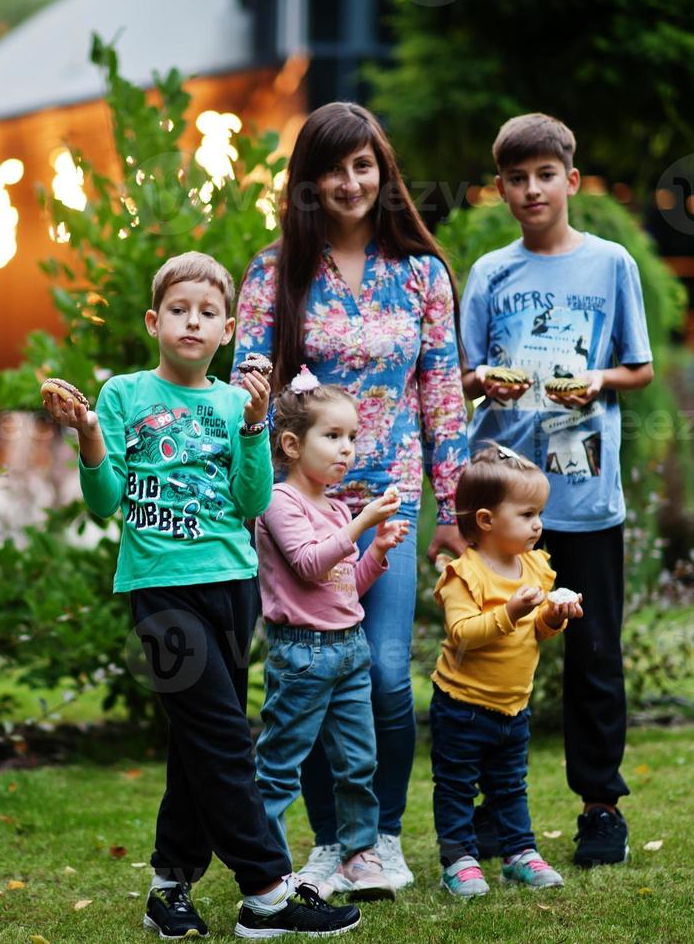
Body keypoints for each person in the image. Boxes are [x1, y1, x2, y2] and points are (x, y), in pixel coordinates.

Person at [42, 251, 360, 938]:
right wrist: (91, 435)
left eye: (207, 313)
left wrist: (251, 426)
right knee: (221, 738)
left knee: (197, 740)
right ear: (155, 321)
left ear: (227, 330)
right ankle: (267, 892)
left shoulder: (231, 403)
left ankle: (169, 886)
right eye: (179, 310)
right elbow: (103, 503)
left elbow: (251, 499)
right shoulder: (126, 395)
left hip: (231, 588)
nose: (192, 322)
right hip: (160, 594)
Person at [234, 102, 469, 890]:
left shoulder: (421, 274)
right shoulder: (273, 274)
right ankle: (332, 845)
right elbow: (247, 385)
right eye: (332, 168)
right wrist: (245, 486)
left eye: (362, 165)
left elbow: (442, 395)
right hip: (300, 508)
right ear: (307, 181)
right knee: (309, 674)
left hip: (388, 511)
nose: (349, 182)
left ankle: (382, 838)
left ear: (382, 171)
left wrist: (454, 511)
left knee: (380, 674)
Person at [457, 113, 654, 867]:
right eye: (516, 177)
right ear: (500, 189)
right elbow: (460, 377)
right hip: (500, 504)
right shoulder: (488, 274)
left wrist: (595, 381)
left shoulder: (609, 265)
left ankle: (599, 808)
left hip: (585, 495)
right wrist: (486, 380)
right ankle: (488, 809)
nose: (531, 188)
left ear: (571, 181)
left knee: (593, 652)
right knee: (492, 648)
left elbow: (635, 368)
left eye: (545, 174)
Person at [253, 368, 412, 902]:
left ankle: (357, 857)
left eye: (351, 438)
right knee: (280, 766)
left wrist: (379, 553)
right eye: (333, 436)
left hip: (349, 652)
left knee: (358, 763)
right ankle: (267, 870)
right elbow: (308, 566)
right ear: (293, 445)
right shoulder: (279, 502)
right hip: (302, 656)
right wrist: (363, 523)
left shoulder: (337, 507)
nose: (346, 450)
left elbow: (346, 584)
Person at [429, 444, 584, 896]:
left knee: (510, 786)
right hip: (462, 706)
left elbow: (536, 632)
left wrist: (553, 617)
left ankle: (519, 852)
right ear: (486, 520)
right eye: (527, 513)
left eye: (540, 512)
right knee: (457, 786)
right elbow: (462, 633)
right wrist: (512, 611)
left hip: (513, 706)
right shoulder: (465, 573)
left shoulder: (535, 565)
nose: (538, 524)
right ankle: (458, 858)